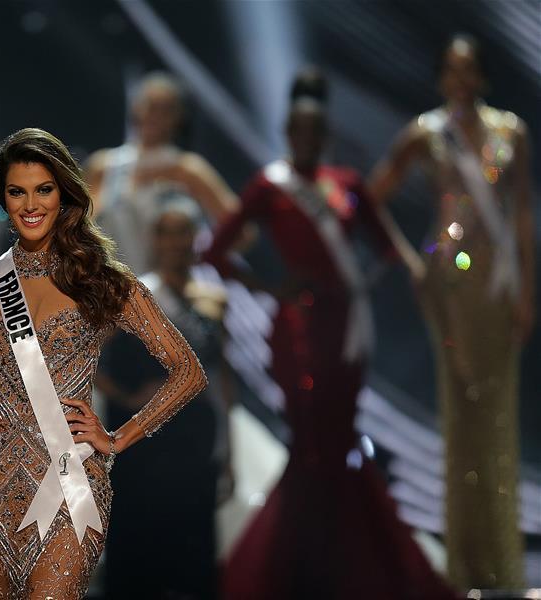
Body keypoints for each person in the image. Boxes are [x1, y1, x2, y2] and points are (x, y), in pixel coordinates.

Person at [0, 127, 208, 599]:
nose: (30, 205)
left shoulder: (101, 281)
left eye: (44, 189)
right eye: (16, 192)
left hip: (71, 476)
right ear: (2, 198)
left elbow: (189, 372)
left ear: (65, 195)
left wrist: (119, 437)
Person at [202, 70, 457, 599]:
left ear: (326, 138)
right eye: (299, 134)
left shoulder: (348, 185)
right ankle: (299, 567)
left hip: (346, 328)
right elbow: (216, 251)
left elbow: (390, 247)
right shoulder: (269, 186)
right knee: (311, 442)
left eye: (317, 135)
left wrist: (380, 281)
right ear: (287, 134)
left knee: (340, 438)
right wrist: (271, 287)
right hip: (297, 329)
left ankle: (349, 562)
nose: (309, 143)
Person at [368, 33, 533, 590]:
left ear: (481, 76)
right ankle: (464, 567)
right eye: (452, 71)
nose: (460, 80)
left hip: (499, 283)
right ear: (441, 77)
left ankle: (501, 565)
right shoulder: (426, 133)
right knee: (459, 416)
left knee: (498, 414)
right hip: (450, 284)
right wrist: (414, 262)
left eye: (469, 70)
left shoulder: (511, 131)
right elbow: (372, 197)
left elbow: (523, 219)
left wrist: (529, 291)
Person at [97, 199, 233, 599]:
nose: (175, 241)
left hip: (196, 440)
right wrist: (125, 395)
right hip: (145, 443)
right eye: (166, 232)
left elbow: (224, 380)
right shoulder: (130, 296)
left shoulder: (214, 300)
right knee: (141, 550)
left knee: (193, 551)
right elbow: (82, 355)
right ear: (154, 239)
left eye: (183, 231)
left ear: (195, 238)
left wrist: (230, 454)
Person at [85, 71, 239, 274]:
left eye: (165, 109)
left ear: (179, 117)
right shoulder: (103, 167)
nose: (154, 116)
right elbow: (76, 230)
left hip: (171, 297)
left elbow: (241, 232)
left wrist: (196, 261)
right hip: (113, 292)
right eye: (149, 105)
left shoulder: (189, 169)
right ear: (136, 108)